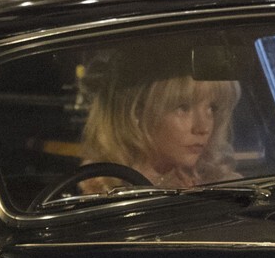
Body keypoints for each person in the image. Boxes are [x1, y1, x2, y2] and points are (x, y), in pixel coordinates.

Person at [80, 48, 241, 191]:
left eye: (212, 108)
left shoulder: (224, 184)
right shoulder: (98, 189)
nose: (203, 128)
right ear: (137, 113)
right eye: (183, 108)